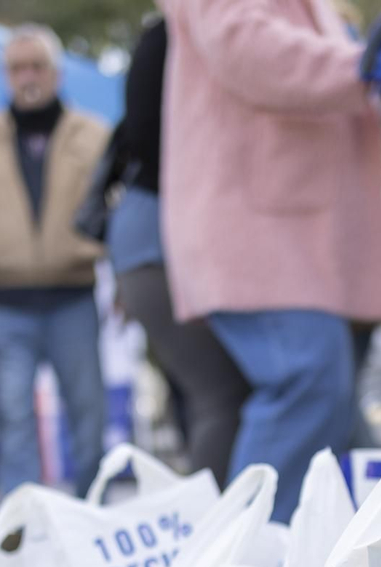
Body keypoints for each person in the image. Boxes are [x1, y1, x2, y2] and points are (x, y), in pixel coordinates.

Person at [158, 0, 381, 521]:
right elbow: (249, 48)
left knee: (334, 411)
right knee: (309, 383)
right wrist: (360, 65)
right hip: (258, 228)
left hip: (301, 233)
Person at [0, 25, 109, 500]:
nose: (27, 77)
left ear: (56, 72)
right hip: (7, 299)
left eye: (36, 66)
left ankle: (92, 509)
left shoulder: (92, 135)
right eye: (17, 67)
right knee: (13, 412)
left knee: (88, 410)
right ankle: (27, 521)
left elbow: (116, 207)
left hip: (73, 293)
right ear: (6, 75)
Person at [107, 18, 249, 486]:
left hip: (150, 240)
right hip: (160, 239)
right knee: (221, 396)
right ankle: (215, 537)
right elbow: (152, 140)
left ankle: (218, 532)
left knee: (217, 398)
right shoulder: (173, 33)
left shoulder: (177, 32)